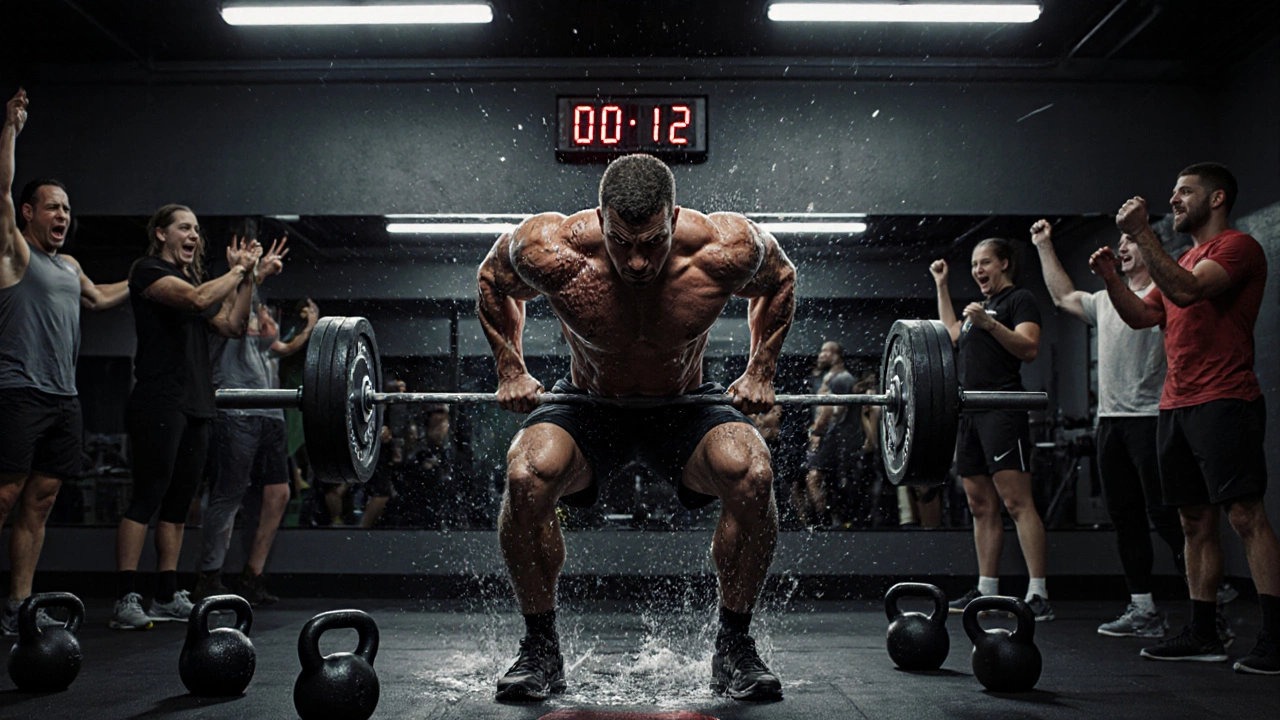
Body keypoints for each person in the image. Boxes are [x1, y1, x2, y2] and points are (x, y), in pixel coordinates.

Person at [477, 153, 795, 701]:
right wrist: (511, 366)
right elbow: (491, 279)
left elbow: (782, 279)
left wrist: (761, 367)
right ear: (600, 220)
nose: (639, 261)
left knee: (752, 473)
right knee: (527, 476)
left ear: (673, 219)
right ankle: (540, 648)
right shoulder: (552, 250)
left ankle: (734, 647)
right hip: (590, 402)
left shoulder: (723, 249)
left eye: (651, 242)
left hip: (685, 402)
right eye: (623, 242)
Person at [1101, 162, 1278, 674]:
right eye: (1173, 192)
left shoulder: (1237, 249)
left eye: (1185, 192)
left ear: (1217, 198)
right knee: (1192, 520)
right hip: (1175, 406)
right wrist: (1113, 278)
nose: (1174, 200)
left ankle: (1276, 637)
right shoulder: (1179, 258)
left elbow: (1187, 292)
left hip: (1226, 399)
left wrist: (1139, 233)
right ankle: (1203, 632)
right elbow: (1141, 316)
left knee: (1245, 516)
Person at [0, 89, 130, 635]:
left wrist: (147, 278)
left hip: (63, 397)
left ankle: (19, 605)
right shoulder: (15, 254)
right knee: (5, 494)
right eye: (53, 206)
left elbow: (99, 298)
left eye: (68, 208)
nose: (63, 214)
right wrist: (11, 129)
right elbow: (0, 191)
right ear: (29, 213)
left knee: (43, 498)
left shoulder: (70, 264)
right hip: (18, 391)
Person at [109, 206, 268, 630]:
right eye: (185, 227)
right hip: (159, 400)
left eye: (197, 229)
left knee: (179, 505)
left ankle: (166, 592)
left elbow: (234, 325)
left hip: (197, 403)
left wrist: (248, 276)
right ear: (161, 233)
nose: (193, 234)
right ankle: (126, 596)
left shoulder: (197, 283)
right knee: (148, 497)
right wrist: (239, 272)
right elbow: (197, 299)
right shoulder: (147, 271)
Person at [1033, 219, 1186, 638]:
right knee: (1126, 519)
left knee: (1169, 518)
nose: (1122, 247)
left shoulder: (1165, 298)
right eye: (1120, 241)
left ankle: (1211, 603)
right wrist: (1044, 245)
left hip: (1152, 419)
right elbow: (1063, 295)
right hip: (1111, 424)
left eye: (1131, 241)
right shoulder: (1104, 300)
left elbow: (1143, 314)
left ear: (1152, 249)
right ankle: (1143, 610)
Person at [932, 238, 1054, 621]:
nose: (978, 270)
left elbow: (1029, 347)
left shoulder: (1020, 300)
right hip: (970, 412)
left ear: (1004, 263)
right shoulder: (978, 309)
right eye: (974, 264)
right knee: (979, 505)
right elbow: (952, 334)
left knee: (1017, 503)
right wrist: (942, 285)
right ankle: (986, 590)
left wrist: (990, 323)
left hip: (1002, 408)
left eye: (985, 263)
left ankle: (1038, 593)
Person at [195, 287, 313, 607]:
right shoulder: (227, 311)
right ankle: (209, 577)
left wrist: (309, 327)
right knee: (229, 494)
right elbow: (235, 321)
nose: (263, 315)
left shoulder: (262, 331)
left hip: (270, 412)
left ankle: (252, 576)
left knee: (279, 494)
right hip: (236, 409)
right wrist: (250, 274)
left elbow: (281, 345)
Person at [799, 342, 857, 529]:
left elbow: (831, 411)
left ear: (836, 356)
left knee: (813, 478)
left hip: (830, 438)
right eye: (821, 350)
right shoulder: (832, 377)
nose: (821, 355)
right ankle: (825, 521)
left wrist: (816, 432)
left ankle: (822, 523)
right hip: (831, 437)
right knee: (820, 479)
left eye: (826, 351)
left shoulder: (841, 379)